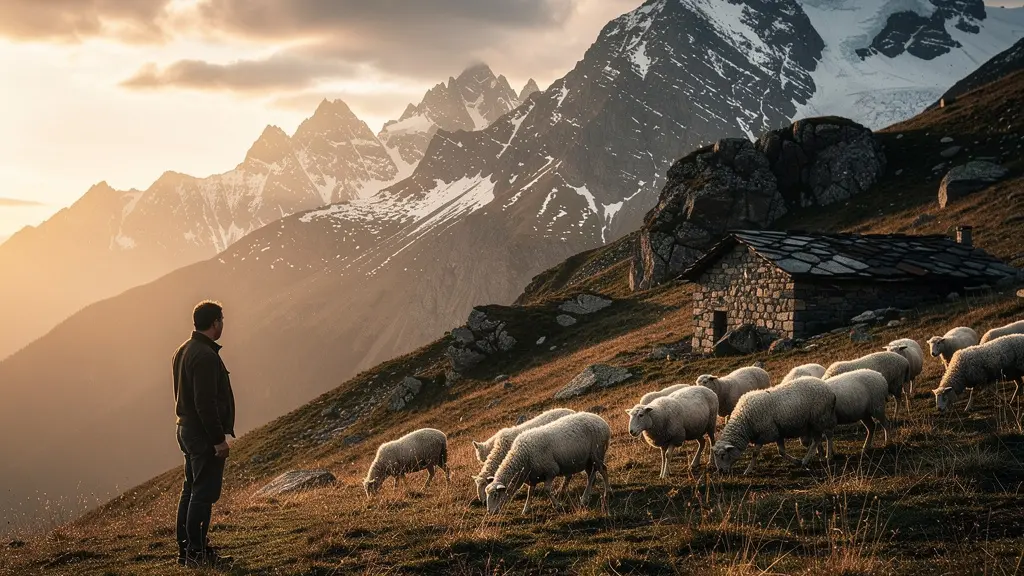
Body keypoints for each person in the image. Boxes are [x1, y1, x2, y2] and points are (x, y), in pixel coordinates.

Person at [173, 300, 235, 568]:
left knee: (190, 489)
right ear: (215, 323)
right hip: (201, 434)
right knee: (203, 493)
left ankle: (187, 552)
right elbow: (205, 402)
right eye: (221, 320)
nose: (223, 324)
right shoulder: (206, 356)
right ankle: (198, 554)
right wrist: (218, 439)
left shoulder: (184, 350)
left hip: (185, 428)